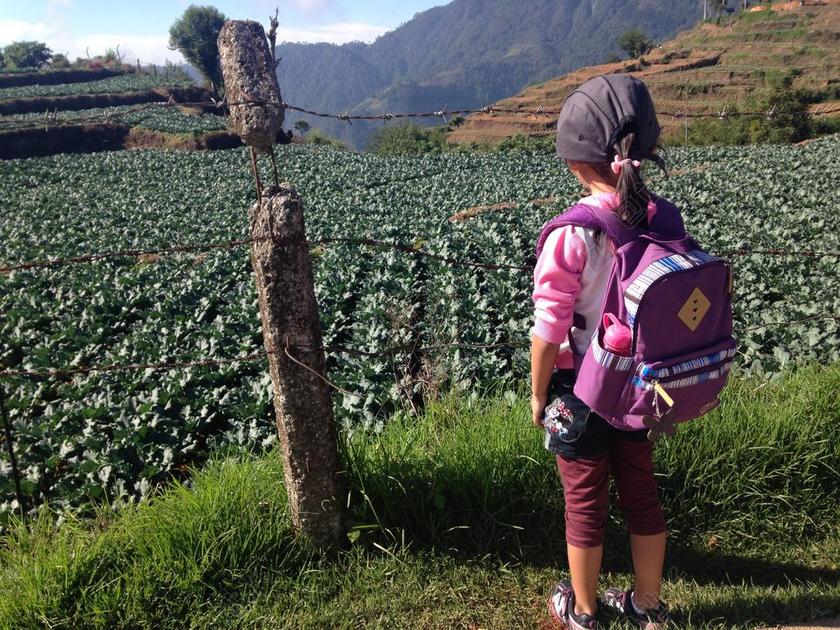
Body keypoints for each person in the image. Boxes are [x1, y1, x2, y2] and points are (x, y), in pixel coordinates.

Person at [530, 74, 674, 630]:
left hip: (581, 388)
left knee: (584, 502)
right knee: (641, 492)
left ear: (574, 161)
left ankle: (585, 611)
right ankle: (646, 604)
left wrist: (538, 394)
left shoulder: (574, 234)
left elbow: (549, 331)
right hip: (642, 383)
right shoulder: (659, 218)